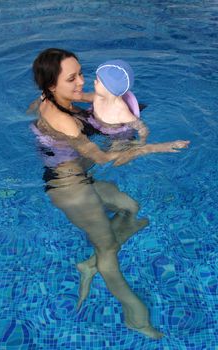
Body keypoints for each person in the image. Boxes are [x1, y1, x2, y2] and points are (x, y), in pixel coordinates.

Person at [30, 48, 189, 339]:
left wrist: (117, 105)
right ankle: (133, 314)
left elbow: (83, 98)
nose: (82, 82)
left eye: (81, 72)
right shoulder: (65, 122)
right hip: (71, 190)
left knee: (131, 207)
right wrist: (157, 147)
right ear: (53, 85)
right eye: (73, 78)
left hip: (77, 179)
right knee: (109, 250)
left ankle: (88, 263)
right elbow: (106, 159)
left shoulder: (48, 97)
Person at [86, 59, 148, 144]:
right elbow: (81, 97)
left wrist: (142, 140)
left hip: (116, 134)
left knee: (116, 148)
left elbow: (141, 127)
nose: (94, 82)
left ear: (108, 89)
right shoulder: (98, 97)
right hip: (94, 124)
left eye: (98, 81)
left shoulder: (122, 112)